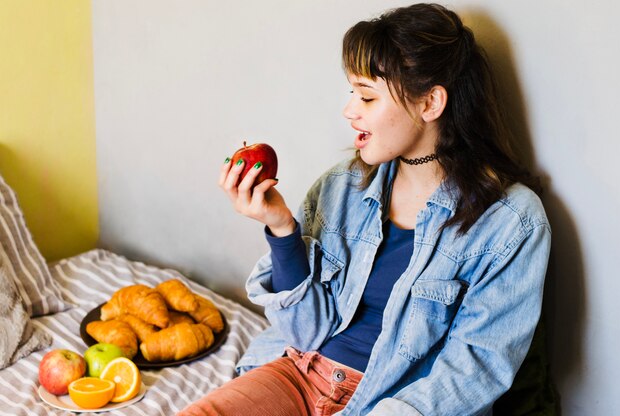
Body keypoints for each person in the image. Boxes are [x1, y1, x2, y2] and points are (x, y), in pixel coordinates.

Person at [180, 3, 551, 415]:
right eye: (352, 92)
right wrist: (282, 229)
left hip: (390, 403)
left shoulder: (511, 223)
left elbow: (475, 370)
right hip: (299, 374)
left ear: (430, 103)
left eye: (367, 96)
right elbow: (305, 331)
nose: (349, 110)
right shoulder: (341, 186)